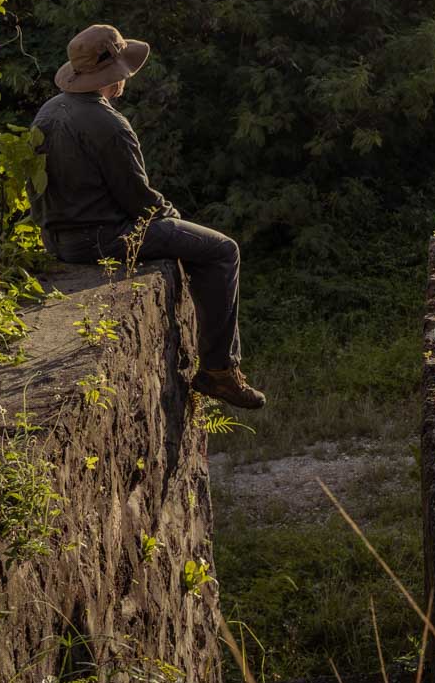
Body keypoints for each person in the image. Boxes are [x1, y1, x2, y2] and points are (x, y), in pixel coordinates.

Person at [30, 24, 266, 410]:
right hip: (104, 238)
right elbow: (140, 201)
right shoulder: (110, 125)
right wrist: (172, 217)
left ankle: (218, 367)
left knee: (195, 241)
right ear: (116, 77)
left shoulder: (49, 110)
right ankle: (220, 372)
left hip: (58, 238)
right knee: (222, 250)